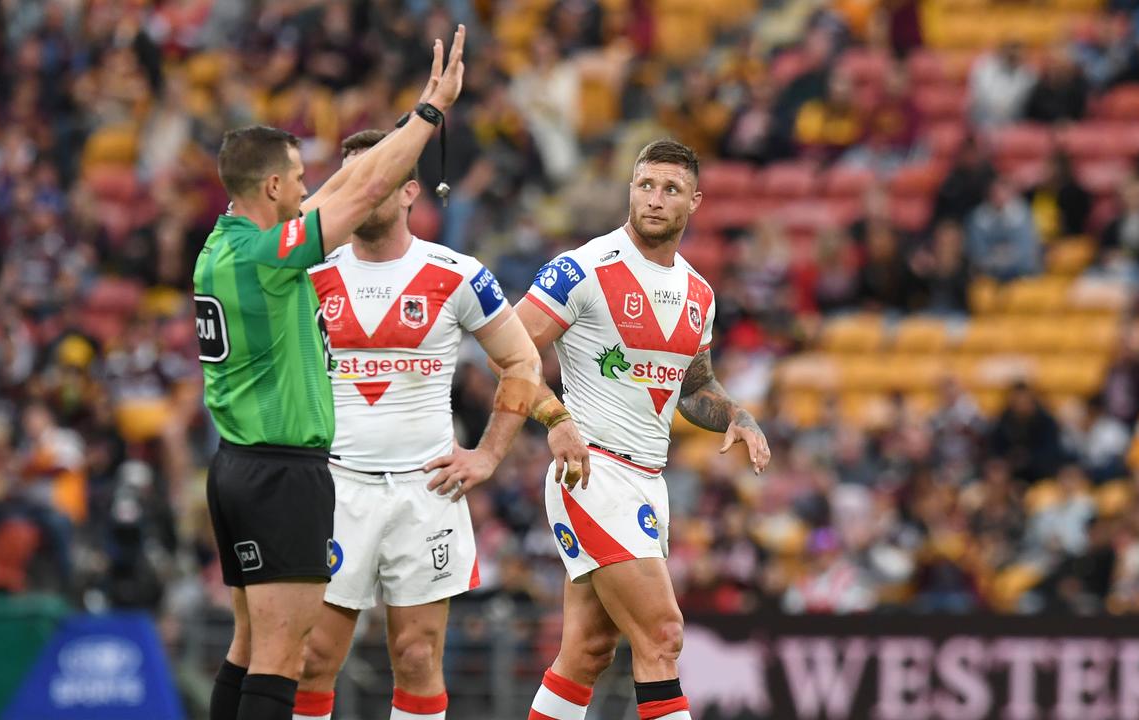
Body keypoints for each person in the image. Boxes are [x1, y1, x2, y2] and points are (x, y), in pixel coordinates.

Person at [194, 27, 467, 720]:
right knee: (283, 658)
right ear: (277, 185)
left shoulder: (229, 244)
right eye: (301, 175)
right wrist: (431, 114)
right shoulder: (273, 256)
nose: (313, 184)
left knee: (249, 643)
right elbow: (368, 186)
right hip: (282, 473)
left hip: (235, 466)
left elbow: (351, 184)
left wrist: (407, 119)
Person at [515, 140, 771, 720]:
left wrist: (738, 415)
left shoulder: (698, 293)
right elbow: (509, 352)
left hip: (646, 480)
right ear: (630, 189)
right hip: (593, 471)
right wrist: (554, 419)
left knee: (587, 651)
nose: (655, 200)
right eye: (645, 185)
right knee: (662, 635)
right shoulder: (581, 268)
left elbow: (694, 386)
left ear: (695, 202)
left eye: (671, 190)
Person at [289, 129, 540, 720]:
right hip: (336, 486)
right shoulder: (306, 270)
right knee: (313, 658)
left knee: (418, 654)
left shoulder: (457, 273)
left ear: (409, 190)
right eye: (352, 178)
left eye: (378, 175)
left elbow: (523, 360)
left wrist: (489, 455)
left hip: (426, 490)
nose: (363, 188)